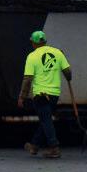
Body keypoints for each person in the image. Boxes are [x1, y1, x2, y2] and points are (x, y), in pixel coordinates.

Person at [18, 30, 72, 159]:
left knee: (46, 120)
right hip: (54, 94)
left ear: (34, 43)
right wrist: (68, 77)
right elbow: (68, 72)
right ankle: (34, 145)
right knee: (45, 119)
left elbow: (27, 79)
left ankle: (54, 147)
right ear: (45, 41)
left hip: (40, 95)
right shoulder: (58, 53)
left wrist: (22, 97)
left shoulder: (32, 56)